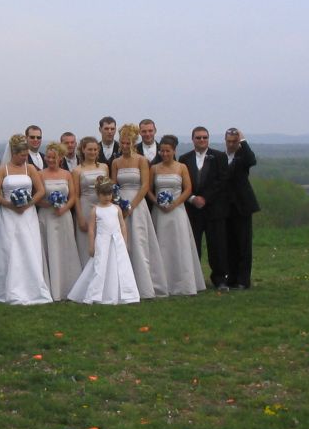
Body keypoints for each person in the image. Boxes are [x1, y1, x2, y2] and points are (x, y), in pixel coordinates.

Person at [0, 134, 52, 305]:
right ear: (13, 153)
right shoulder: (3, 169)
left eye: (26, 155)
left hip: (27, 214)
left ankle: (31, 287)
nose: (24, 158)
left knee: (28, 247)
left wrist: (28, 203)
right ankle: (5, 288)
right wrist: (9, 204)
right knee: (8, 248)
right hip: (8, 214)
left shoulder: (29, 169)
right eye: (22, 155)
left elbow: (40, 190)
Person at [112, 124, 166, 298]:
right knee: (124, 244)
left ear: (133, 143)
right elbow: (114, 186)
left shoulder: (142, 161)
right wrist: (119, 204)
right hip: (121, 205)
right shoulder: (116, 162)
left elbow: (144, 186)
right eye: (122, 143)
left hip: (138, 205)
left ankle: (145, 286)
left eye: (128, 143)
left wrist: (131, 206)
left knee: (139, 242)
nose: (125, 146)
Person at [68, 176, 140, 305]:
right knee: (100, 266)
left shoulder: (116, 208)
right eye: (104, 194)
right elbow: (91, 230)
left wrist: (124, 241)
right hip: (102, 242)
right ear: (98, 194)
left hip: (117, 242)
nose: (107, 197)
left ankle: (125, 294)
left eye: (109, 194)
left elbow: (122, 225)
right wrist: (91, 246)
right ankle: (95, 294)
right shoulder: (95, 210)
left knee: (119, 266)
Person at [151, 135, 206, 295]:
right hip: (159, 212)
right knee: (161, 244)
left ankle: (183, 283)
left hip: (177, 210)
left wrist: (175, 204)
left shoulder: (181, 167)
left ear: (174, 151)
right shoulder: (154, 168)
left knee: (179, 244)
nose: (164, 154)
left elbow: (188, 189)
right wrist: (157, 203)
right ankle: (162, 282)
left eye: (167, 151)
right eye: (162, 151)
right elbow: (148, 190)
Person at [180, 127, 230, 290]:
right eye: (198, 138)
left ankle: (220, 278)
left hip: (214, 209)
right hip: (192, 209)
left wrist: (205, 198)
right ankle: (194, 278)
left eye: (204, 137)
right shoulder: (184, 158)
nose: (202, 140)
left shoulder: (219, 157)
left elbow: (222, 181)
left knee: (217, 245)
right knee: (193, 244)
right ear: (192, 139)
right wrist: (192, 198)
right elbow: (181, 182)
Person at [36, 142, 82, 300]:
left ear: (60, 158)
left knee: (65, 248)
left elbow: (73, 196)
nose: (50, 160)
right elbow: (37, 198)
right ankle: (51, 287)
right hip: (46, 216)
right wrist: (50, 204)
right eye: (48, 157)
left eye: (53, 157)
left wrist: (64, 208)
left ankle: (67, 287)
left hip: (63, 216)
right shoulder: (40, 174)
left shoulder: (67, 174)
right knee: (49, 248)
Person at [224, 128, 260, 290]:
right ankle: (231, 277)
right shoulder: (221, 157)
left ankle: (243, 280)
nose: (231, 144)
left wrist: (243, 141)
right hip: (226, 207)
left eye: (234, 141)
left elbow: (252, 160)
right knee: (229, 244)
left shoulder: (243, 156)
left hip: (242, 206)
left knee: (243, 244)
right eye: (229, 141)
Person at [72, 136, 110, 262]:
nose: (93, 152)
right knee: (86, 243)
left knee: (103, 240)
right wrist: (80, 217)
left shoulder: (104, 167)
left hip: (103, 207)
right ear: (83, 150)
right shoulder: (77, 170)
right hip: (86, 207)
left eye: (95, 149)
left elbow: (108, 190)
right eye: (89, 149)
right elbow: (76, 195)